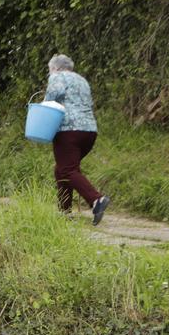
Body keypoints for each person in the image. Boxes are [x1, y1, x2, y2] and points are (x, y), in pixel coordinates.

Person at [44, 54, 109, 225]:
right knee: (63, 169)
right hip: (89, 131)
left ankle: (97, 200)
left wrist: (44, 105)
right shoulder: (81, 80)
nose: (50, 74)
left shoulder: (57, 77)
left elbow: (52, 95)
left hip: (68, 130)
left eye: (50, 70)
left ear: (56, 68)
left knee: (67, 170)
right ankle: (64, 212)